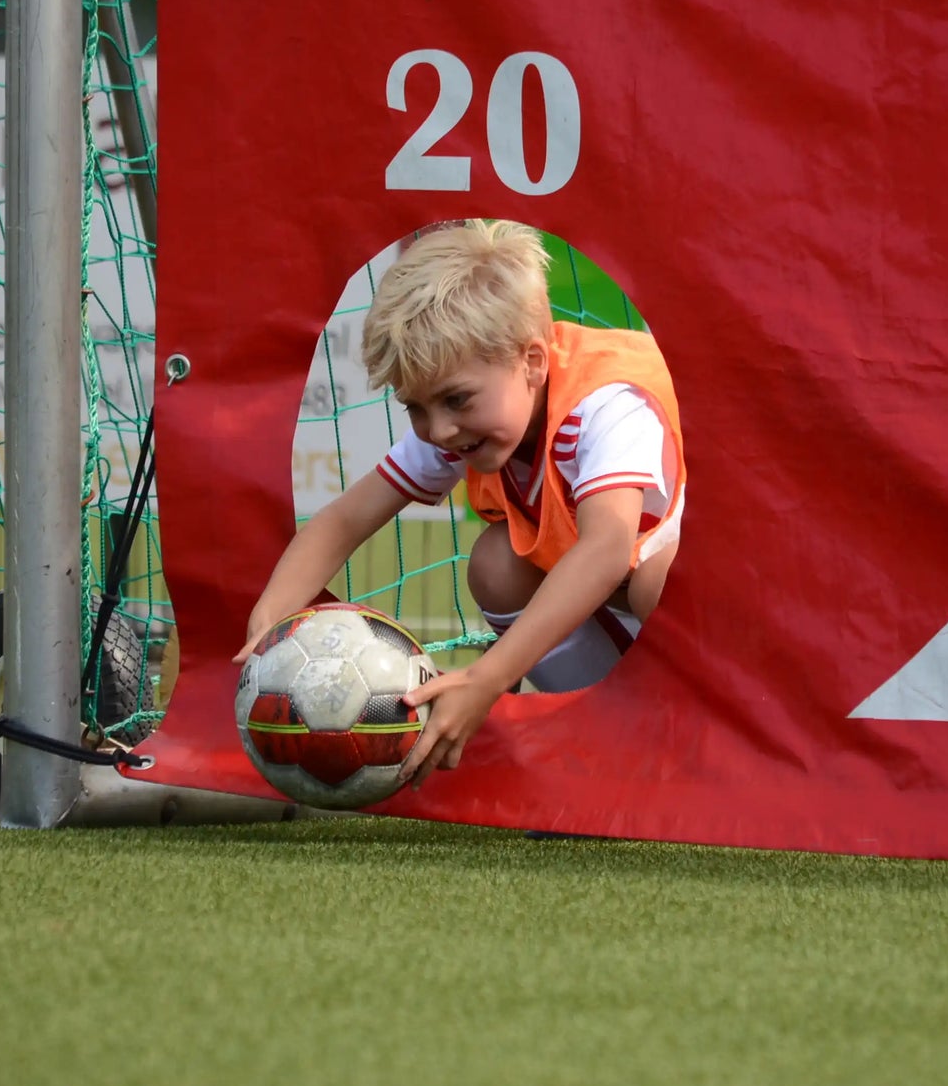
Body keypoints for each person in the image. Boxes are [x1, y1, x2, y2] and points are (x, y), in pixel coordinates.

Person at [234, 219, 685, 785]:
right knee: (495, 564)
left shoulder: (605, 406)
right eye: (416, 408)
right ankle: (607, 743)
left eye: (454, 401)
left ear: (533, 363)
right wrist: (270, 624)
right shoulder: (471, 414)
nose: (438, 430)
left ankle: (694, 744)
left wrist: (486, 679)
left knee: (656, 578)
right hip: (623, 605)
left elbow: (607, 548)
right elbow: (343, 521)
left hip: (721, 610)